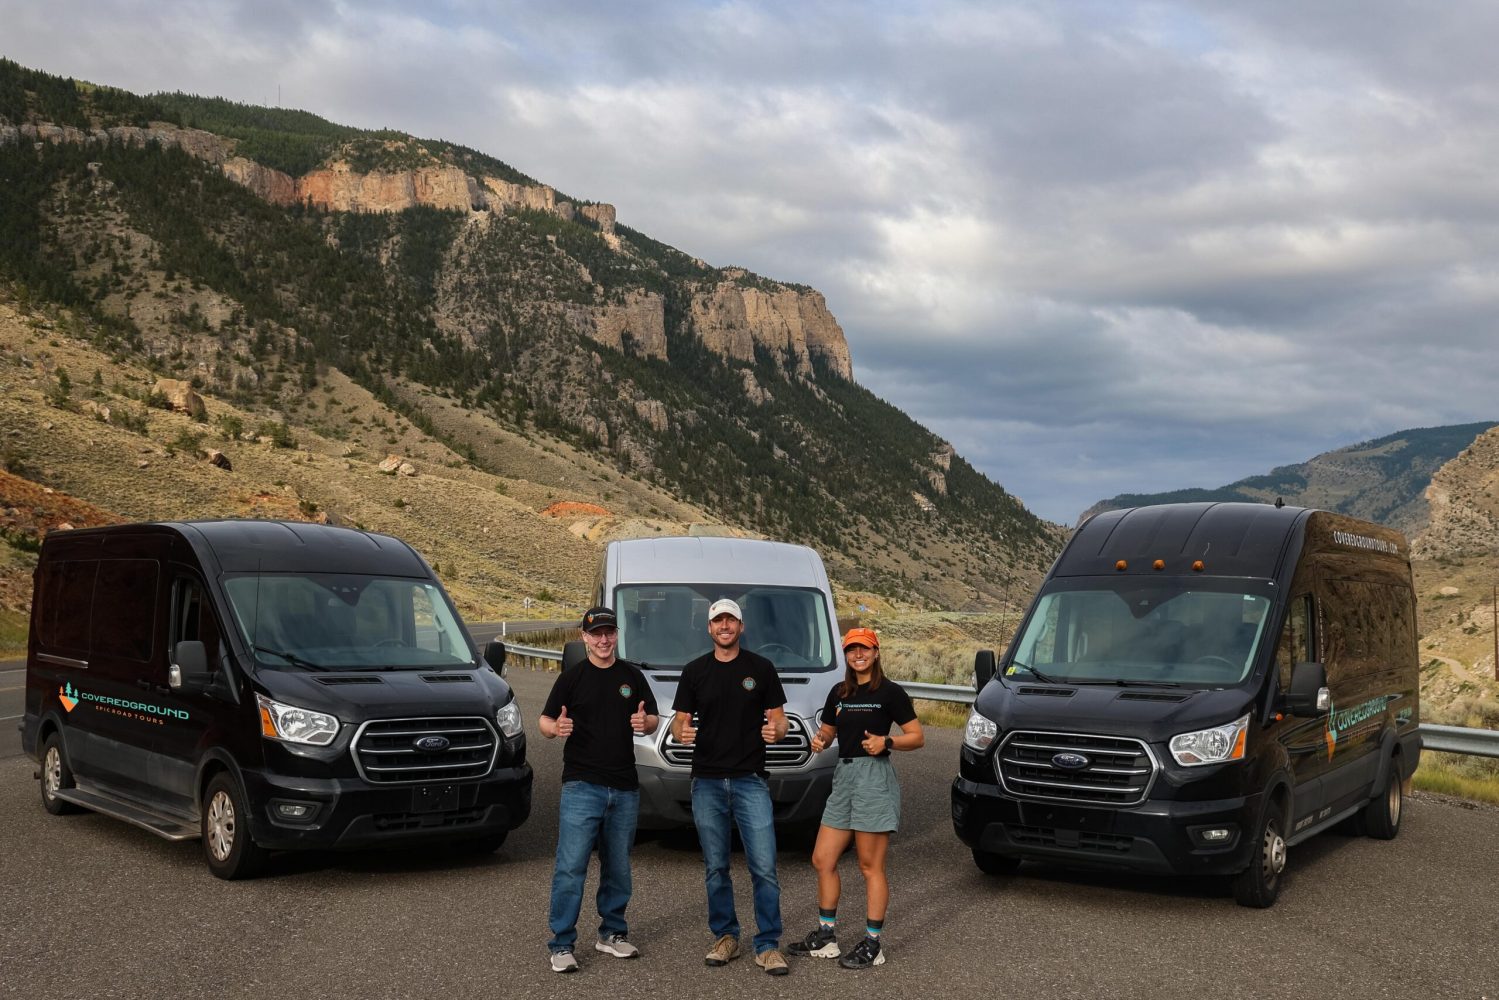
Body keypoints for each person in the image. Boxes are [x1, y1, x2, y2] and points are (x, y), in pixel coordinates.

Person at [786, 627, 923, 970]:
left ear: (876, 652)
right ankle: (826, 936)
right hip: (844, 777)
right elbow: (830, 729)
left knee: (869, 865)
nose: (857, 654)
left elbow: (917, 737)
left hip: (873, 778)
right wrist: (820, 738)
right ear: (846, 656)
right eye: (851, 650)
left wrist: (887, 742)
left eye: (864, 648)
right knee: (822, 858)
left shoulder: (890, 692)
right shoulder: (839, 692)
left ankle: (873, 944)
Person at [671, 598, 791, 976]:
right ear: (709, 628)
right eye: (718, 621)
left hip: (750, 780)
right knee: (715, 867)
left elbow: (780, 720)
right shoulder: (694, 672)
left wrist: (777, 730)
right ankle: (726, 937)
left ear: (741, 627)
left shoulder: (761, 669)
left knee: (764, 866)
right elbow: (678, 723)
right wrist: (682, 732)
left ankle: (768, 944)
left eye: (731, 621)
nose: (725, 626)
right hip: (706, 780)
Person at [539, 606, 660, 974]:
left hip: (624, 786)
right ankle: (561, 943)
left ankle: (612, 934)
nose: (604, 640)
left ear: (616, 635)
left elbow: (652, 718)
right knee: (571, 867)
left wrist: (646, 722)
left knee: (618, 867)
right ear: (584, 637)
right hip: (582, 785)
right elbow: (545, 720)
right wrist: (553, 729)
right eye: (596, 634)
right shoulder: (572, 678)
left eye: (609, 632)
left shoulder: (631, 676)